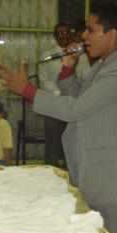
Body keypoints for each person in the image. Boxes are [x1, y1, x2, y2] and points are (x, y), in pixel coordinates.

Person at [0, 1, 117, 233]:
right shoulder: (106, 64)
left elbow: (76, 110)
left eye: (90, 30)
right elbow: (83, 98)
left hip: (114, 180)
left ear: (111, 34)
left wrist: (27, 90)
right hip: (99, 173)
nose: (83, 36)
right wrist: (67, 71)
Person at [38, 22, 91, 167]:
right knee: (53, 144)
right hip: (54, 104)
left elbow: (86, 78)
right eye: (60, 33)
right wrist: (59, 93)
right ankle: (50, 172)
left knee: (73, 142)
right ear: (55, 36)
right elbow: (43, 80)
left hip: (74, 104)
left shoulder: (81, 55)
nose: (64, 36)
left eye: (66, 32)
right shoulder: (47, 55)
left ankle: (71, 173)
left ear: (71, 35)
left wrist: (72, 92)